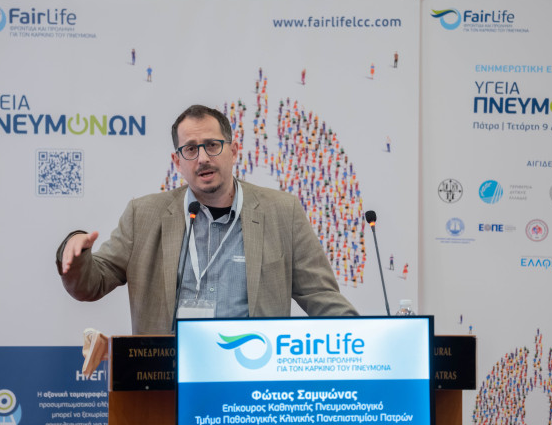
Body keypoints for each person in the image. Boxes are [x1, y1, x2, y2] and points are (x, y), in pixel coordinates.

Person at [57, 105, 357, 334]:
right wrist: (76, 250)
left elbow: (320, 295)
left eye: (212, 145)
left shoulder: (282, 212)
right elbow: (90, 285)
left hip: (252, 375)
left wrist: (364, 339)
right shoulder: (143, 215)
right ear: (177, 162)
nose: (202, 158)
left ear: (233, 151)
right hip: (168, 380)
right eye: (190, 149)